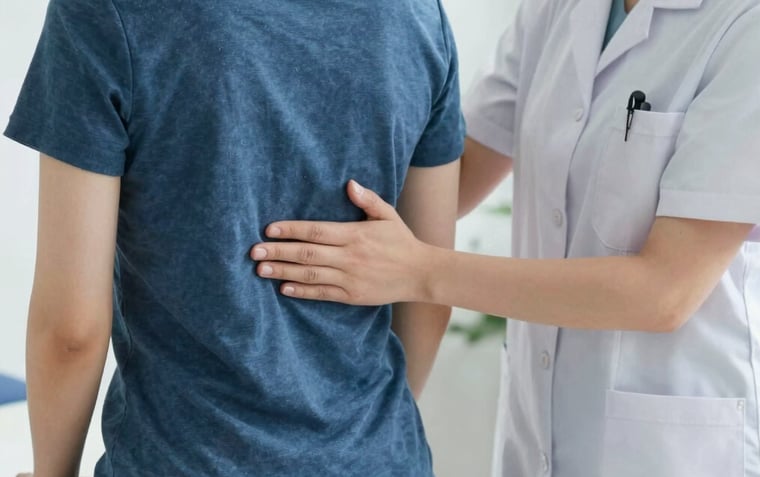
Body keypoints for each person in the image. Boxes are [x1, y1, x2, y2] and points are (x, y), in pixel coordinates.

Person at [250, 0, 760, 475]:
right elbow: (446, 178)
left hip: (678, 446)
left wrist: (418, 271)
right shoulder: (560, 9)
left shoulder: (751, 25)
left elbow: (664, 293)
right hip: (537, 432)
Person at [4, 0, 464, 475]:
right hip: (382, 458)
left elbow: (71, 331)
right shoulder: (421, 18)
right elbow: (427, 291)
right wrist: (360, 439)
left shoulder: (108, 11)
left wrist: (51, 472)